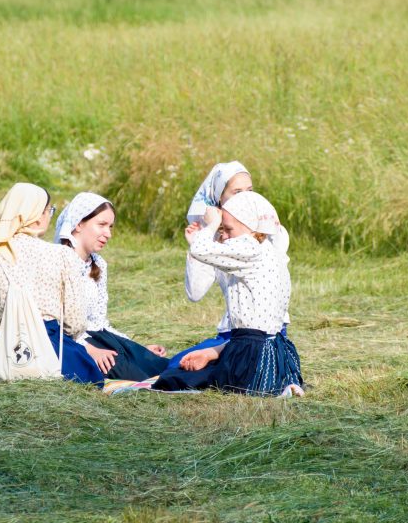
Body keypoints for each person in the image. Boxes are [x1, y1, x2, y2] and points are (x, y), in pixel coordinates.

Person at [153, 191, 304, 397]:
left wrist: (212, 224)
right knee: (189, 372)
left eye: (229, 229)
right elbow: (253, 331)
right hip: (274, 352)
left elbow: (200, 249)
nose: (226, 236)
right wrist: (210, 353)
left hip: (252, 357)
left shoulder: (249, 246)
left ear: (249, 225)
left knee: (171, 379)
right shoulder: (268, 250)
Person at [0, 183, 103, 386]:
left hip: (0, 349)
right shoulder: (62, 255)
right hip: (54, 348)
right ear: (36, 216)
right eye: (49, 211)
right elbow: (75, 321)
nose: (49, 216)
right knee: (86, 380)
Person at [169, 161, 289, 369]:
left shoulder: (263, 235)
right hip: (234, 332)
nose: (245, 198)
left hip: (261, 336)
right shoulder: (216, 237)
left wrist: (204, 240)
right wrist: (202, 240)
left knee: (180, 371)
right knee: (176, 365)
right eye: (237, 192)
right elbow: (195, 293)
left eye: (249, 191)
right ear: (219, 200)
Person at [54, 192, 169, 381]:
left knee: (160, 366)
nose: (108, 234)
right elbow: (53, 325)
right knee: (138, 377)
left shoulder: (98, 264)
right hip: (72, 344)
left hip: (101, 337)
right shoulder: (57, 263)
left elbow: (100, 323)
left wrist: (135, 347)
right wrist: (91, 350)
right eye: (101, 225)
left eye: (110, 227)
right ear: (79, 223)